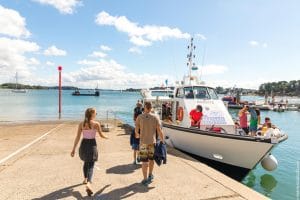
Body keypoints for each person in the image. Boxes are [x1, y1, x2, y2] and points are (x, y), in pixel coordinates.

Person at [71, 108, 108, 196]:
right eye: (95, 113)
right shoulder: (96, 124)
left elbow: (77, 137)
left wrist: (73, 149)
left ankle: (85, 179)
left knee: (85, 162)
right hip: (92, 145)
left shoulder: (81, 124)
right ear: (92, 114)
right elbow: (101, 135)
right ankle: (89, 183)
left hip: (84, 144)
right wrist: (107, 137)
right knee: (91, 164)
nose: (96, 114)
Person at [135, 102, 164, 186]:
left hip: (143, 143)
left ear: (145, 107)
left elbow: (136, 132)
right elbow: (159, 130)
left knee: (144, 162)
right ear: (151, 108)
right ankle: (150, 175)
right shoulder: (155, 117)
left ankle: (145, 179)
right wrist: (162, 141)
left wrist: (138, 135)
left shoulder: (139, 117)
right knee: (151, 160)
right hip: (152, 142)